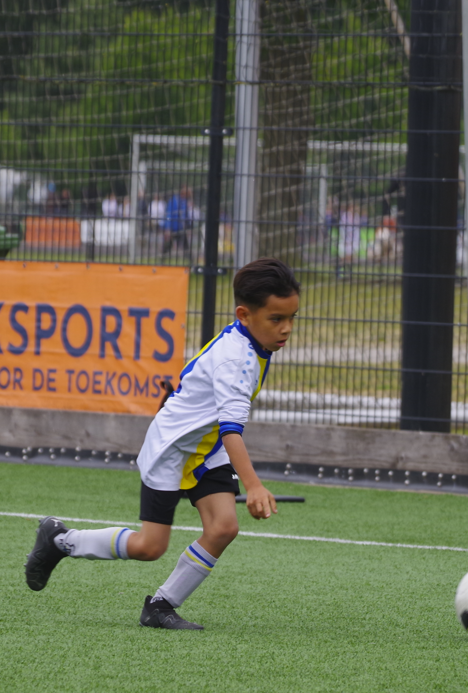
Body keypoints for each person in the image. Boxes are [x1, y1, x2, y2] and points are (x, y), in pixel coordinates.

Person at [24, 258, 301, 630]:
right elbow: (232, 429)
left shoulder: (248, 340)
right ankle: (61, 540)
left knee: (223, 527)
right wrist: (253, 484)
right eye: (276, 319)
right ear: (244, 314)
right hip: (172, 448)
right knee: (149, 547)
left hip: (205, 447)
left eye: (292, 318)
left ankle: (160, 606)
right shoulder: (236, 362)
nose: (286, 329)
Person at [163, 185, 193, 255]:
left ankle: (190, 260)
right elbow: (169, 214)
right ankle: (162, 259)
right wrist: (168, 228)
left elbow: (186, 216)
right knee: (167, 246)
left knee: (185, 246)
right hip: (173, 227)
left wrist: (188, 226)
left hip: (181, 228)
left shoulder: (184, 202)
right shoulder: (174, 201)